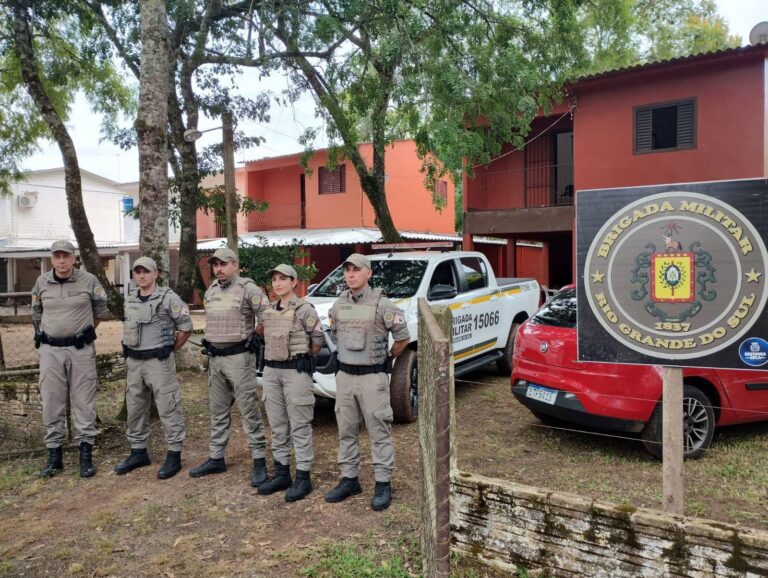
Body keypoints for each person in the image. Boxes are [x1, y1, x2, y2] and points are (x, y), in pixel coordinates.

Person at [324, 253, 410, 511]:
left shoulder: (384, 305)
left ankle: (383, 483)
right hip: (345, 377)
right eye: (347, 270)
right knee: (346, 429)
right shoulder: (339, 304)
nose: (350, 274)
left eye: (356, 270)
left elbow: (403, 338)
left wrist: (386, 359)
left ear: (368, 273)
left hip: (373, 377)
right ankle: (349, 479)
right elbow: (335, 332)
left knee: (378, 430)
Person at [190, 247, 271, 487]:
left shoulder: (249, 289)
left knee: (248, 409)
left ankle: (259, 460)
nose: (219, 269)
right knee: (218, 410)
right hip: (216, 359)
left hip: (239, 359)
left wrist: (254, 336)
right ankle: (216, 457)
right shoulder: (212, 290)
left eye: (223, 264)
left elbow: (267, 315)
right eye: (215, 265)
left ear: (235, 265)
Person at [32, 240, 110, 478]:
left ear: (74, 258)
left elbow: (100, 311)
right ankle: (54, 457)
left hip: (80, 350)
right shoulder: (41, 282)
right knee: (51, 401)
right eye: (57, 256)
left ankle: (85, 454)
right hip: (50, 351)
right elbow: (36, 312)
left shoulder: (89, 281)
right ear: (52, 259)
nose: (62, 261)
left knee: (84, 401)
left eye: (66, 256)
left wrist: (83, 331)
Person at [114, 257, 193, 480]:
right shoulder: (130, 298)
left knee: (168, 406)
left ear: (156, 274)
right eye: (137, 271)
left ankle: (174, 454)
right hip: (134, 363)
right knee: (135, 407)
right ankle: (138, 452)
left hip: (159, 362)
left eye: (146, 271)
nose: (142, 275)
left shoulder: (169, 298)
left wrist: (168, 350)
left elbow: (185, 328)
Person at [256, 264, 325, 502]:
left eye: (283, 279)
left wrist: (305, 357)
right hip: (272, 372)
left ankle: (303, 477)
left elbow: (317, 339)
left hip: (296, 372)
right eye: (274, 279)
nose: (277, 283)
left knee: (300, 426)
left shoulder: (305, 309)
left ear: (294, 282)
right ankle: (282, 473)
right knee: (277, 425)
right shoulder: (268, 312)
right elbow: (262, 334)